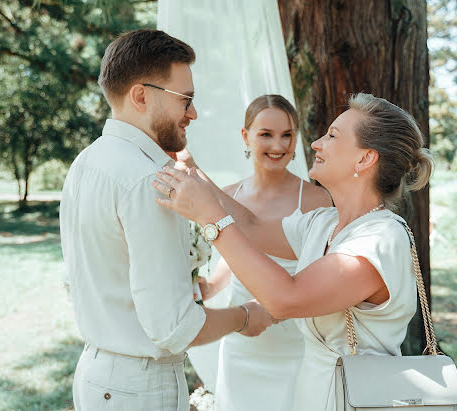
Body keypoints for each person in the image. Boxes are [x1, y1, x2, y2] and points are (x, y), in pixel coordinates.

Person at [153, 93, 434, 411]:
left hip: (354, 400)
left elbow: (286, 298)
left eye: (332, 136)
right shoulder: (322, 222)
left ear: (364, 159)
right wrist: (190, 170)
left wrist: (209, 219)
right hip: (311, 396)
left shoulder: (382, 238)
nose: (315, 143)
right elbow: (248, 224)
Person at [60, 29, 273, 411]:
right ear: (141, 96)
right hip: (138, 388)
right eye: (185, 100)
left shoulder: (86, 161)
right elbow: (173, 328)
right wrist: (246, 317)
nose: (193, 113)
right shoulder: (150, 180)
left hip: (95, 374)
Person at [190, 94, 332, 411]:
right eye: (266, 134)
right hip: (242, 343)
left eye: (287, 135)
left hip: (294, 342)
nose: (278, 146)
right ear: (246, 136)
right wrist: (212, 286)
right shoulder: (230, 195)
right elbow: (236, 255)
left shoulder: (316, 200)